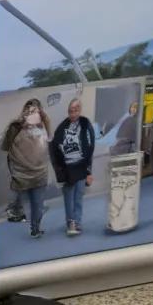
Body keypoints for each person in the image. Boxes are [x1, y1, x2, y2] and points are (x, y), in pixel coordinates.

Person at [1, 99, 52, 238]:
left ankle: (35, 228)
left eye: (35, 111)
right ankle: (17, 212)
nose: (32, 114)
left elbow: (47, 145)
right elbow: (6, 147)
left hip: (39, 174)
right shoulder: (15, 127)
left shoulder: (43, 127)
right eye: (29, 111)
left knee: (38, 206)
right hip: (21, 175)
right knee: (22, 201)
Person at [50, 97, 96, 238]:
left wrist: (89, 171)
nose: (73, 113)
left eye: (76, 110)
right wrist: (60, 172)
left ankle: (77, 222)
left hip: (81, 167)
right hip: (68, 168)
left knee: (78, 197)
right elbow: (54, 149)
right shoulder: (62, 127)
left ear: (80, 110)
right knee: (68, 198)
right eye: (71, 111)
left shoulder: (85, 123)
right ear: (68, 112)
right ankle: (70, 223)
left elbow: (90, 147)